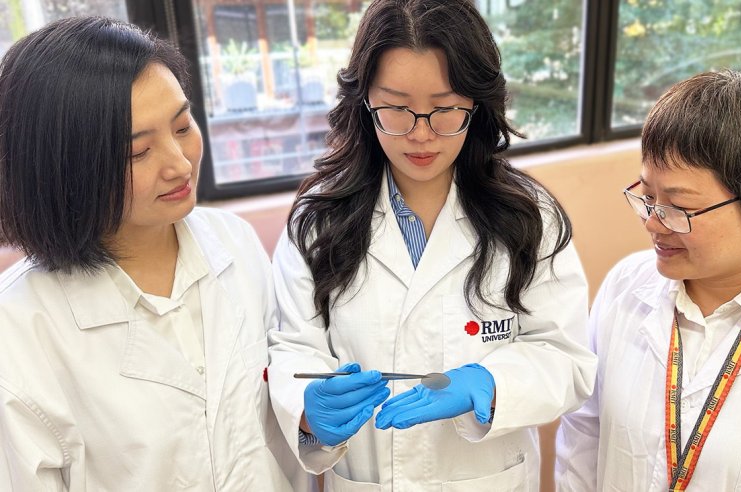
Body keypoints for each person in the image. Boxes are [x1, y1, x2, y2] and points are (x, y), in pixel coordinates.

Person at [267, 0, 597, 489]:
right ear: (364, 102)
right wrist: (309, 411)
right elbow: (294, 347)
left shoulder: (529, 218)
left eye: (444, 110)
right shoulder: (318, 221)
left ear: (477, 105)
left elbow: (565, 357)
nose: (421, 135)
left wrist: (492, 384)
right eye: (396, 109)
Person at [0, 17, 310, 491]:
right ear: (64, 168)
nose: (180, 164)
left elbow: (279, 418)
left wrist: (312, 413)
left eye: (182, 126)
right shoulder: (20, 328)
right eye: (138, 152)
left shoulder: (233, 243)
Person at [555, 66, 741, 491]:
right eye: (647, 197)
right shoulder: (625, 287)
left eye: (679, 208)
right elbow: (584, 438)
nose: (653, 223)